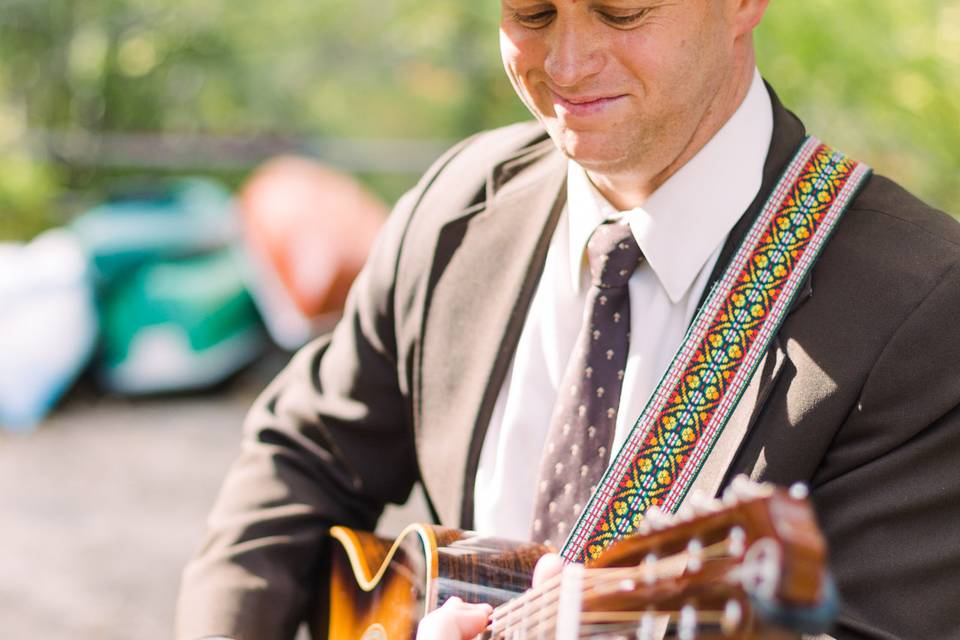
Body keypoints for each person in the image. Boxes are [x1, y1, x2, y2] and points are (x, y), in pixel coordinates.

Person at [177, 1, 960, 638]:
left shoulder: (925, 305)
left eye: (620, 13)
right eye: (532, 12)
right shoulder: (458, 204)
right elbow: (298, 456)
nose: (565, 64)